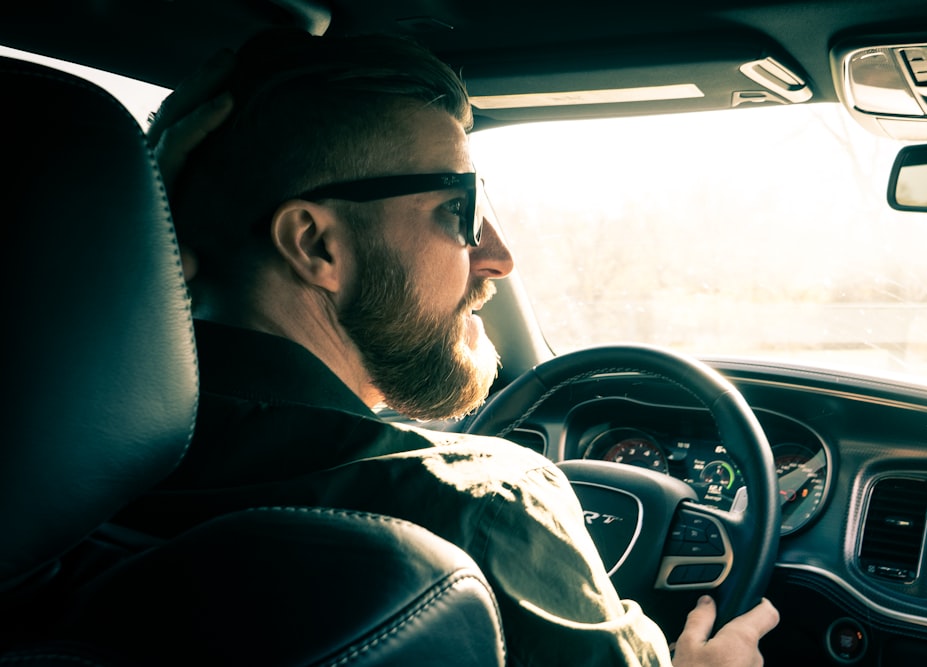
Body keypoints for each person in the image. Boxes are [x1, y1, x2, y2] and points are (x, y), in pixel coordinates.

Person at [119, 28, 778, 666]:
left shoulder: (57, 474)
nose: (500, 256)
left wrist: (132, 236)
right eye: (457, 209)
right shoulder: (484, 507)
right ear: (318, 244)